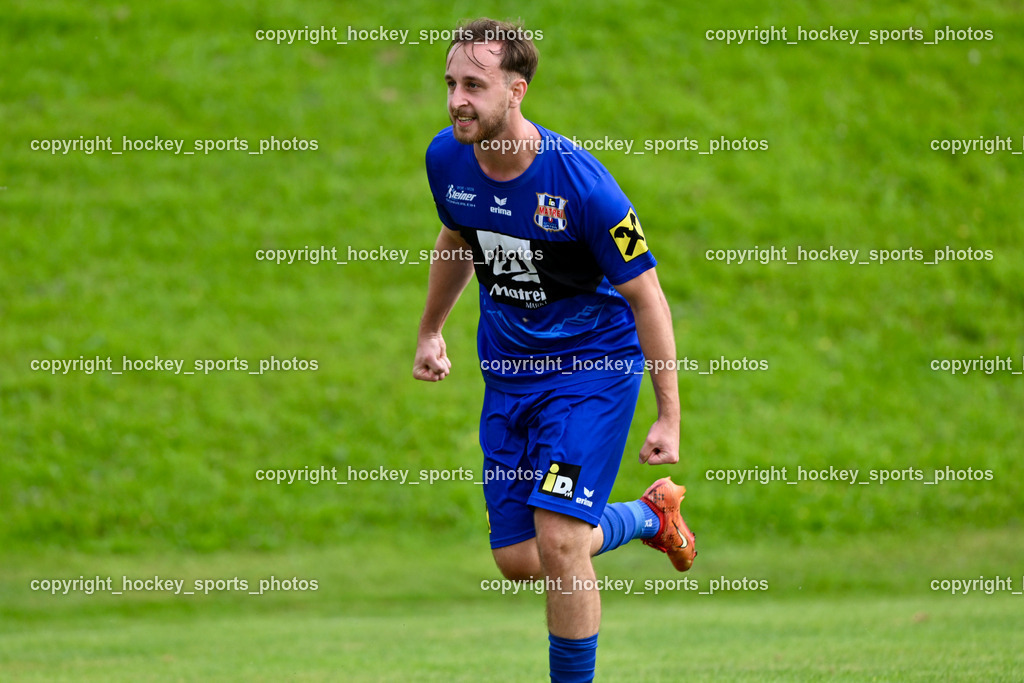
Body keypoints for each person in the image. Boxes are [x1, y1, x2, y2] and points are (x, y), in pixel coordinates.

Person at [413, 17, 696, 683]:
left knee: (563, 539)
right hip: (509, 377)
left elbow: (648, 297)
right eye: (451, 83)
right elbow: (457, 240)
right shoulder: (445, 160)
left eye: (474, 85)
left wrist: (668, 414)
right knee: (519, 557)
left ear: (517, 91)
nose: (457, 98)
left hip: (590, 371)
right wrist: (430, 329)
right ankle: (647, 516)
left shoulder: (583, 187)